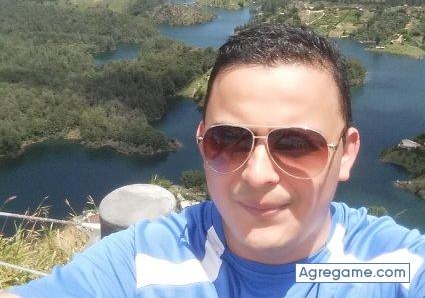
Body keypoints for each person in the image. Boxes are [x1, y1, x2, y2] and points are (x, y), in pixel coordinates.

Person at [2, 24, 425, 297]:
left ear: (346, 152)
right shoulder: (143, 262)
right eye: (229, 139)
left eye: (296, 143)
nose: (257, 174)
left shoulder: (394, 268)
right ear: (202, 141)